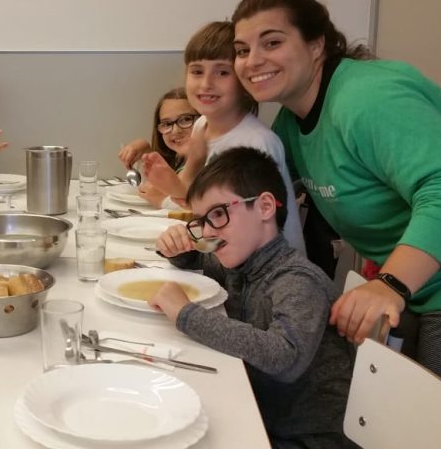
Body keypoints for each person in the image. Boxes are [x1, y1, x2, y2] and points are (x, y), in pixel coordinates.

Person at [231, 0, 441, 446]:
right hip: (426, 284)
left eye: (272, 42)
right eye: (242, 50)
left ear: (316, 44)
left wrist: (390, 283)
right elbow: (256, 198)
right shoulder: (291, 123)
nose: (253, 60)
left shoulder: (367, 97)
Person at [152, 147, 355, 449]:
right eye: (201, 221)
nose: (207, 232)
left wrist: (187, 314)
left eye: (218, 214)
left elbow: (285, 356)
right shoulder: (244, 261)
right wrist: (180, 251)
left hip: (302, 438)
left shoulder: (298, 281)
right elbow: (204, 263)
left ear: (264, 207)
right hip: (257, 412)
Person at [142, 22, 306, 255]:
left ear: (244, 79)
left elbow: (244, 230)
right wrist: (170, 183)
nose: (206, 84)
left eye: (222, 72)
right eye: (197, 71)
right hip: (224, 256)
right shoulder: (201, 126)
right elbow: (195, 193)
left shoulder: (255, 143)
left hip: (266, 267)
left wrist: (172, 195)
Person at [117, 87, 199, 207]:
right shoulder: (179, 158)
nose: (176, 131)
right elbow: (149, 188)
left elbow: (206, 209)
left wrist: (163, 200)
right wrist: (145, 153)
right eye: (167, 124)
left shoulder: (212, 164)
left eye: (186, 119)